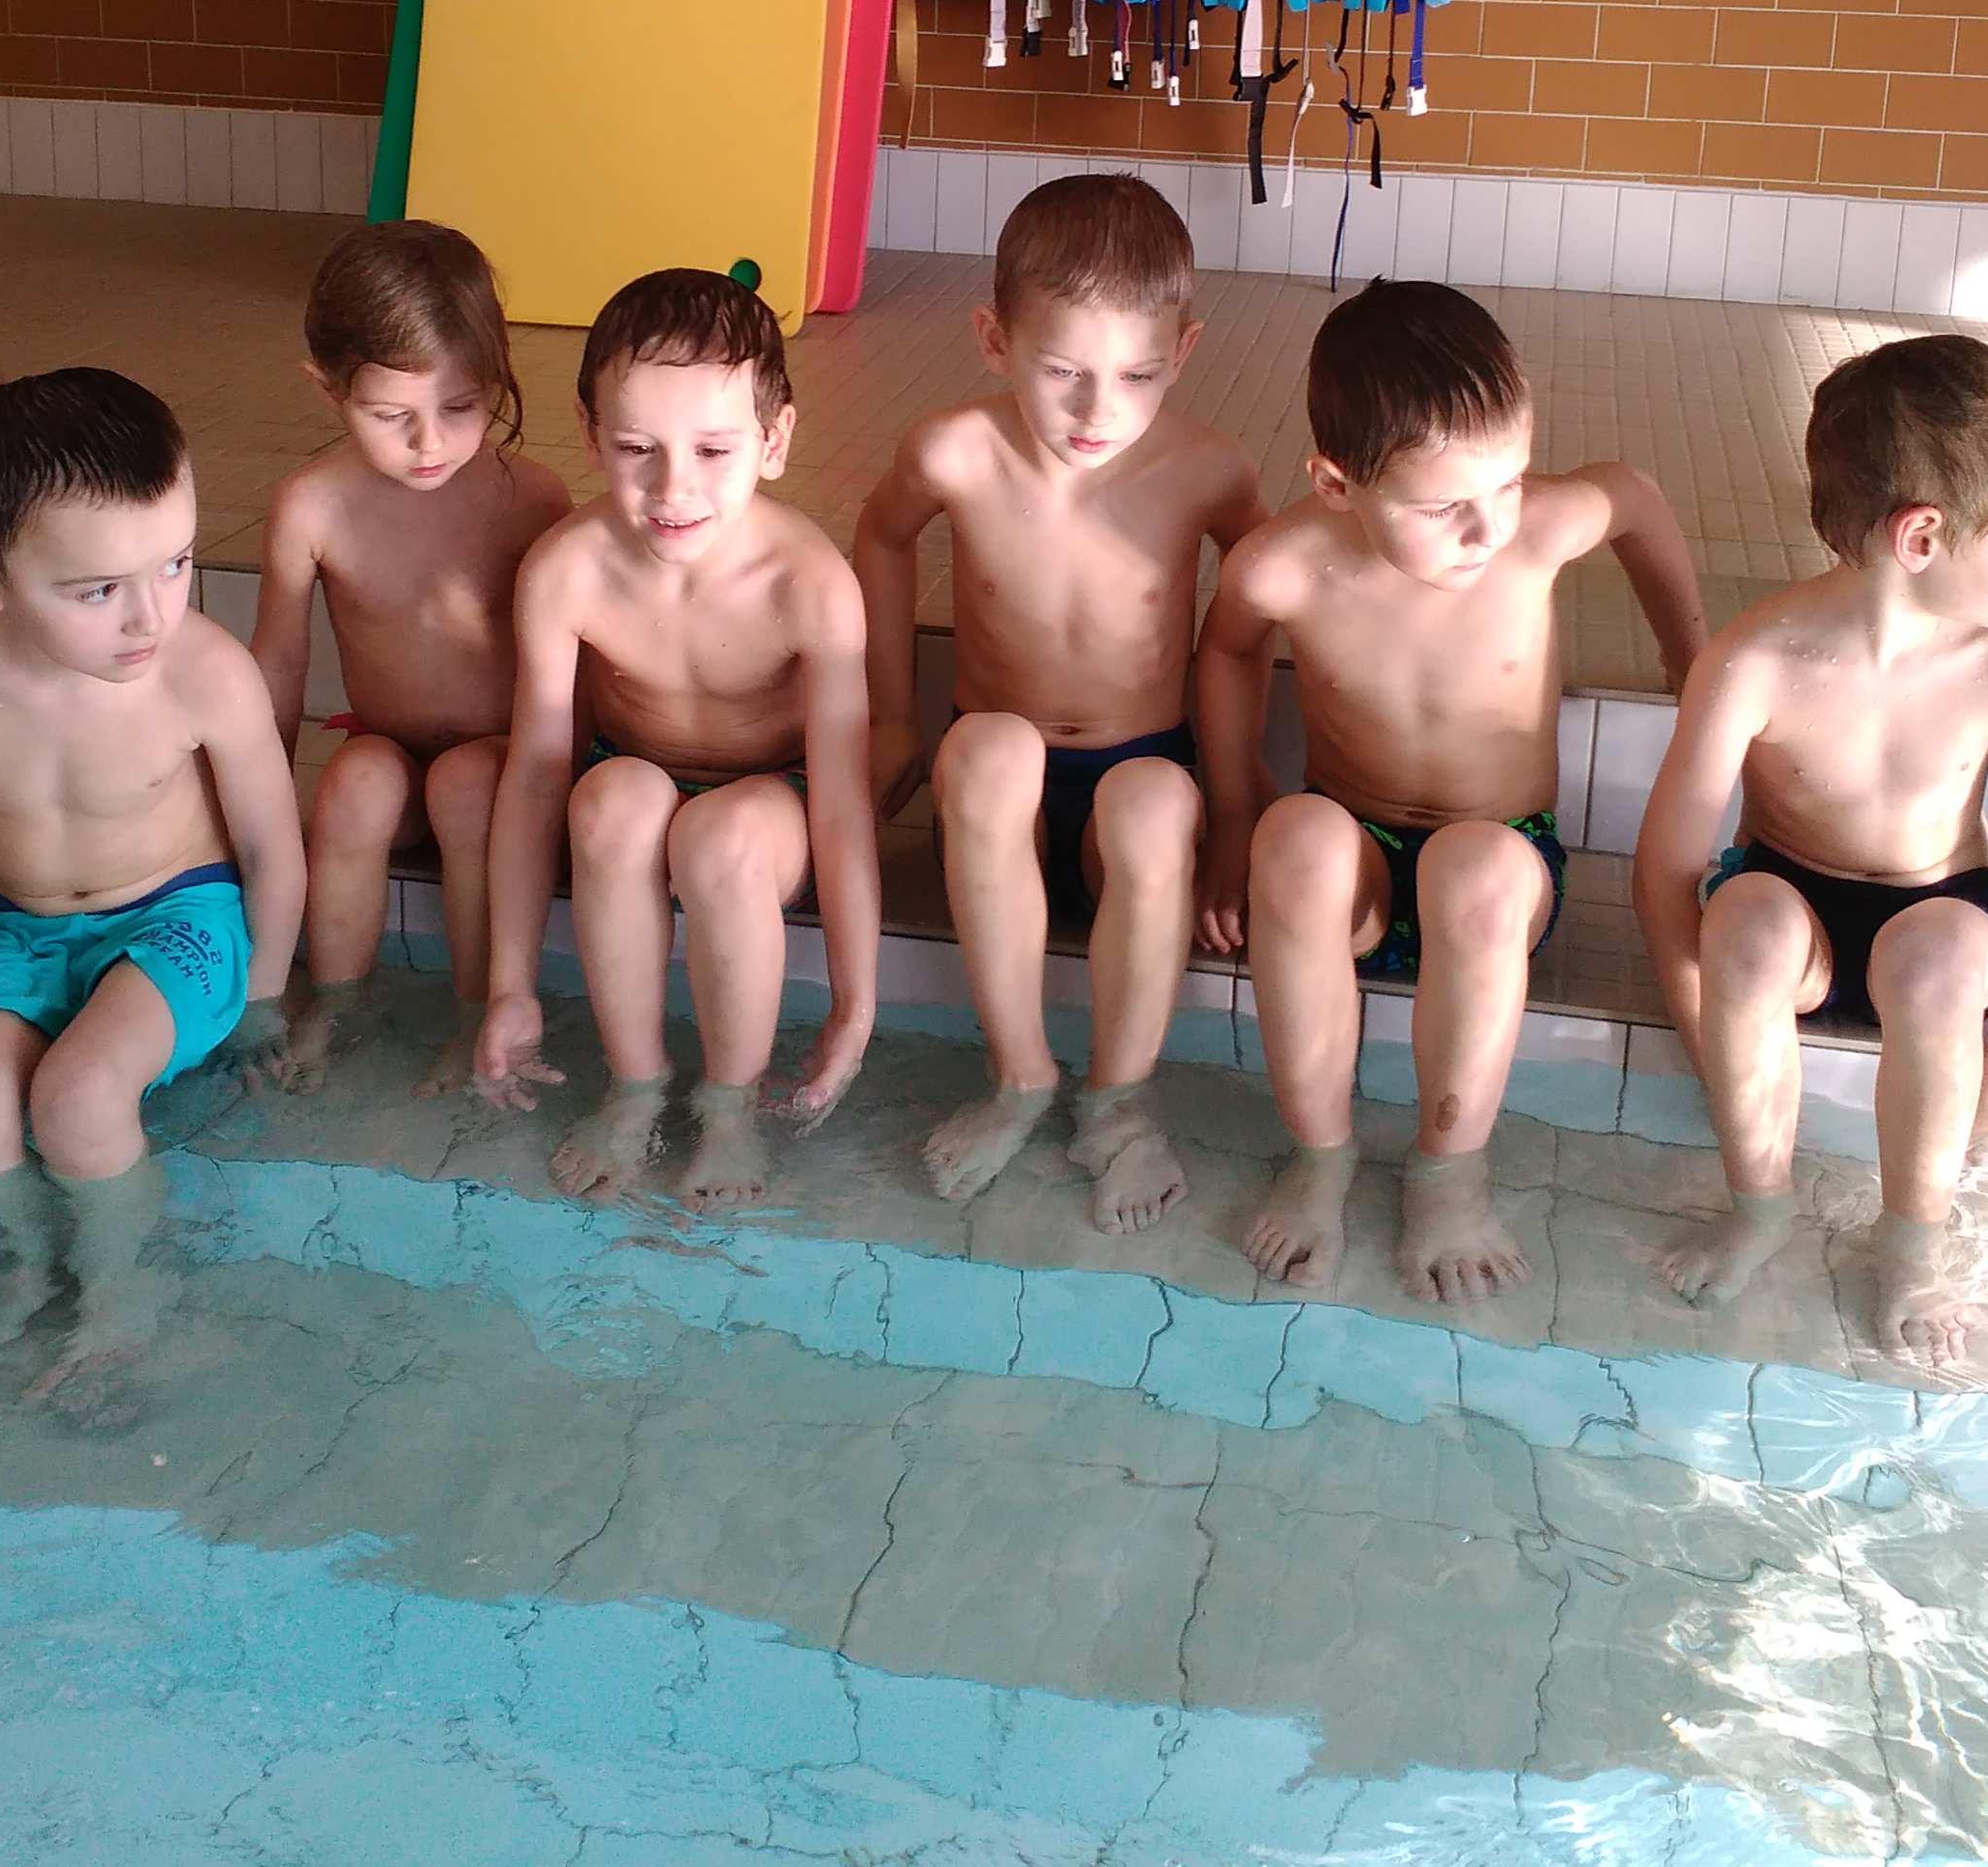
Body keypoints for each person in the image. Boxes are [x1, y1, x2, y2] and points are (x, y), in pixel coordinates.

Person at [1197, 279, 1704, 1305]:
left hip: (1500, 870)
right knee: (1294, 836)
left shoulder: (1539, 528)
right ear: (1336, 483)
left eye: (1507, 484)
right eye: (1443, 508)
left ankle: (1448, 1172)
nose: (1487, 530)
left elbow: (1637, 502)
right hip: (1358, 871)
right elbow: (1226, 653)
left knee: (1475, 868)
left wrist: (1686, 653)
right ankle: (1320, 1155)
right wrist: (1235, 808)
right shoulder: (1283, 566)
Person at [1636, 334, 1988, 1368]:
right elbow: (1668, 863)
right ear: (1923, 536)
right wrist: (1698, 1015)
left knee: (1936, 963)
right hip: (1792, 903)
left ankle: (1912, 1244)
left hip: (1941, 907)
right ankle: (1759, 1204)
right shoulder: (1755, 658)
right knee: (1744, 926)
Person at [0, 368, 305, 1404]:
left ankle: (120, 1293)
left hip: (179, 918)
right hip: (17, 930)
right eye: (99, 590)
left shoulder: (202, 672)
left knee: (82, 1096)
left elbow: (272, 847)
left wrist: (264, 1003)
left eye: (176, 564)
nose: (150, 617)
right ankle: (23, 1269)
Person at [854, 173, 1266, 1228]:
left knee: (1153, 804)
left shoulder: (1208, 469)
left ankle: (1118, 1105)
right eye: (1063, 372)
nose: (1098, 411)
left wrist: (1235, 808)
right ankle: (1021, 1074)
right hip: (1000, 798)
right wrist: (893, 717)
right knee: (990, 752)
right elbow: (882, 538)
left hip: (1139, 772)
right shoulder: (955, 451)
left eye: (1137, 375)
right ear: (994, 340)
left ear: (1184, 350)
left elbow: (1254, 622)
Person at [475, 269, 880, 1210]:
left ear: (774, 441)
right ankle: (636, 1086)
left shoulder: (809, 585)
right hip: (636, 776)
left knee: (722, 838)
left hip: (773, 799)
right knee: (606, 802)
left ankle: (729, 1106)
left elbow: (843, 805)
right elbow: (535, 778)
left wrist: (855, 1003)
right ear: (591, 437)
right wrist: (510, 984)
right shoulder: (567, 571)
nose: (672, 488)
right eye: (636, 449)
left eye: (712, 449)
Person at [251, 222, 569, 1092]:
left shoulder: (530, 498)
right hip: (385, 740)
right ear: (328, 391)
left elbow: (577, 661)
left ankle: (476, 1018)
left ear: (496, 379)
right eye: (393, 417)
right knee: (351, 786)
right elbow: (278, 666)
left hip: (500, 763)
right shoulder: (311, 507)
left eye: (461, 408)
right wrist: (259, 815)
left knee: (465, 785)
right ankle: (337, 1008)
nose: (430, 444)